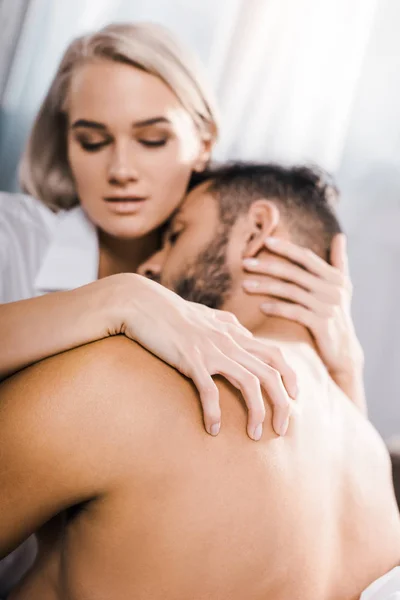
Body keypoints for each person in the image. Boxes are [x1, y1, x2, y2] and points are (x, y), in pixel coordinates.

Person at [0, 162, 398, 600]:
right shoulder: (371, 464)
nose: (151, 265)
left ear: (257, 230)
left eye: (175, 235)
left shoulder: (125, 380)